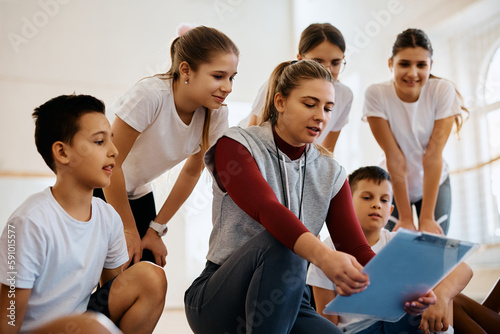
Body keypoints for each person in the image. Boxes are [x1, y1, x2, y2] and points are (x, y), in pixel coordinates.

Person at [184, 60, 435, 334]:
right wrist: (324, 257)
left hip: (288, 299)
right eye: (309, 104)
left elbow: (356, 248)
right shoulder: (235, 146)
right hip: (219, 300)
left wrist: (403, 289)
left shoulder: (330, 171)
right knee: (283, 244)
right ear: (280, 102)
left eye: (328, 108)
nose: (321, 116)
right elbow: (267, 209)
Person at [0, 95, 167, 334]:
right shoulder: (28, 224)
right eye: (99, 142)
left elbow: (111, 291)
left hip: (85, 323)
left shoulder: (108, 216)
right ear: (62, 153)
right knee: (91, 327)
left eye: (112, 140)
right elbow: (8, 321)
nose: (114, 151)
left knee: (151, 276)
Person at [96, 25, 239, 267]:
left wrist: (155, 229)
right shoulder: (151, 95)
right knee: (116, 268)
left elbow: (193, 171)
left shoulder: (216, 115)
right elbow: (111, 164)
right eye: (218, 76)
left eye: (231, 77)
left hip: (138, 191)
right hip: (99, 185)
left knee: (149, 267)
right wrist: (129, 230)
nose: (228, 87)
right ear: (186, 70)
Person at [307, 166, 473, 334]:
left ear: (391, 210)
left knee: (441, 294)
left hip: (401, 320)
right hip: (359, 330)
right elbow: (327, 322)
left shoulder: (399, 242)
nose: (376, 205)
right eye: (367, 197)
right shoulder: (327, 252)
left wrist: (441, 297)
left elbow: (463, 268)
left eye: (384, 200)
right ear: (347, 204)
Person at [363, 28, 469, 235]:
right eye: (404, 64)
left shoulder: (442, 90)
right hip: (392, 183)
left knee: (431, 248)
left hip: (434, 182)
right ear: (390, 64)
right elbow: (394, 156)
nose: (413, 73)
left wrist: (427, 218)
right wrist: (405, 217)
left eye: (421, 65)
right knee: (397, 252)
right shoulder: (376, 94)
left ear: (431, 66)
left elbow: (432, 156)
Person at [242, 23, 352, 153]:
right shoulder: (278, 84)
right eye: (318, 62)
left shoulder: (345, 95)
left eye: (335, 63)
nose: (327, 70)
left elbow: (326, 152)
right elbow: (252, 138)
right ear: (300, 58)